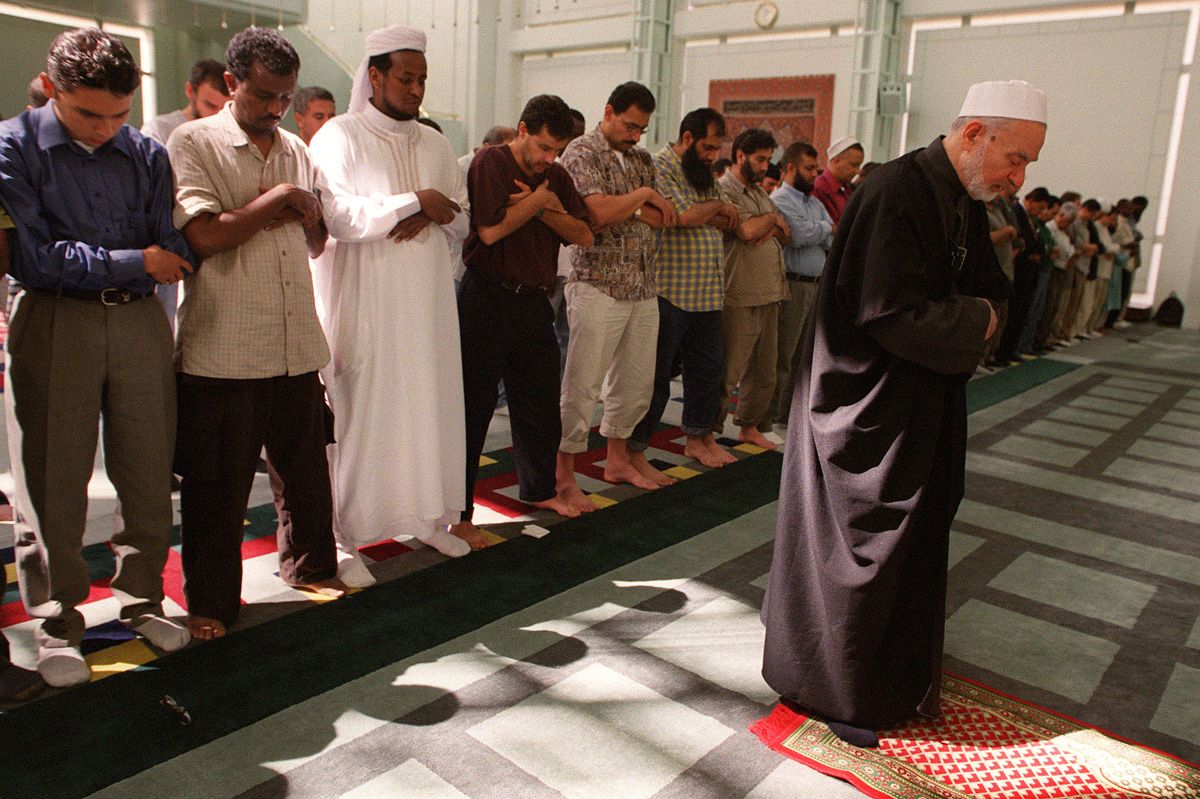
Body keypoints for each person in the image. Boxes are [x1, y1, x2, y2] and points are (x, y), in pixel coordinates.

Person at [762, 79, 1041, 746]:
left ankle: (897, 678)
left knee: (916, 543)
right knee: (862, 548)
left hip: (923, 401)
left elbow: (994, 289)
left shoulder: (964, 198)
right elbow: (890, 312)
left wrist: (980, 313)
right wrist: (976, 317)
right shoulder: (895, 191)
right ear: (976, 134)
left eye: (1028, 163)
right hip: (865, 407)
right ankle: (840, 688)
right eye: (1017, 158)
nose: (1019, 176)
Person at [0, 28, 197, 687]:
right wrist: (135, 260)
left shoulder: (144, 151)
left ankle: (143, 597)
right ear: (51, 88)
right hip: (55, 321)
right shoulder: (14, 146)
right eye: (89, 113)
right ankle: (57, 621)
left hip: (141, 321)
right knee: (52, 476)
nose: (106, 128)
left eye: (119, 114)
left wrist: (141, 262)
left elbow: (171, 242)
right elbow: (36, 257)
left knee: (147, 465)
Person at [167, 27, 346, 641]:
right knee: (218, 487)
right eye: (264, 96)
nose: (275, 109)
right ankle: (212, 601)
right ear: (229, 84)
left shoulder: (296, 147)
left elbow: (315, 241)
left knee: (304, 474)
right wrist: (280, 200)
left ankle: (311, 566)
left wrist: (309, 214)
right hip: (225, 350)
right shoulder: (194, 142)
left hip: (296, 343)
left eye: (285, 98)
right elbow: (205, 236)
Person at [308, 25, 473, 575]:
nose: (416, 88)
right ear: (374, 76)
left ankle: (428, 518)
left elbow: (464, 217)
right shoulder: (339, 136)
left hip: (426, 309)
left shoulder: (436, 143)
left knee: (428, 408)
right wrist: (411, 201)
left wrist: (432, 210)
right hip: (367, 305)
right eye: (406, 77)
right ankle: (344, 534)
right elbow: (338, 217)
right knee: (359, 416)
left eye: (422, 78)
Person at [449, 94, 593, 545]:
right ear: (523, 130)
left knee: (540, 403)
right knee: (472, 410)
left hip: (533, 301)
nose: (548, 159)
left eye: (556, 152)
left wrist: (540, 203)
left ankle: (538, 489)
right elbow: (490, 231)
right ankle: (460, 513)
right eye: (544, 148)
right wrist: (542, 205)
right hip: (486, 296)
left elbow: (585, 233)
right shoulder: (490, 161)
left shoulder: (553, 177)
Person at [555, 82, 677, 509]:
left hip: (643, 284)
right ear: (607, 112)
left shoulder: (642, 158)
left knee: (635, 383)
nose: (636, 137)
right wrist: (642, 197)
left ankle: (617, 460)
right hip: (596, 282)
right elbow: (596, 213)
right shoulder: (581, 152)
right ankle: (564, 474)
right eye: (629, 126)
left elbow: (665, 218)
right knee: (583, 384)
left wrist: (628, 206)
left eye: (642, 129)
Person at [627, 108, 741, 474]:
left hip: (707, 291)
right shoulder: (660, 166)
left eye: (716, 149)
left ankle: (698, 438)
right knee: (657, 376)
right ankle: (635, 449)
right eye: (707, 147)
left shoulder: (702, 174)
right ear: (688, 138)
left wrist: (712, 209)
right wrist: (715, 208)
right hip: (669, 290)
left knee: (708, 371)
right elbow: (682, 216)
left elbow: (728, 218)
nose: (712, 156)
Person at [716, 127, 790, 449]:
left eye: (768, 160)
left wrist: (771, 221)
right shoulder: (725, 190)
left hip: (770, 291)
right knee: (728, 371)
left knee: (765, 371)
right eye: (760, 160)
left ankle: (748, 425)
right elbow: (746, 231)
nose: (764, 167)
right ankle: (705, 432)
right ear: (740, 155)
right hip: (739, 292)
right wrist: (771, 220)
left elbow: (788, 233)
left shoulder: (759, 193)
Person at [768, 141, 833, 427]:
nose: (815, 175)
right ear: (790, 167)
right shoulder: (779, 200)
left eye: (817, 169)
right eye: (809, 169)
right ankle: (766, 418)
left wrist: (819, 230)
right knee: (783, 355)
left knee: (805, 357)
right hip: (793, 286)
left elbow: (834, 236)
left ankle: (788, 415)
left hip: (816, 286)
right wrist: (822, 228)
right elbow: (797, 236)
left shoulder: (815, 202)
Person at [141, 59, 228, 145]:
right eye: (210, 105)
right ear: (190, 91)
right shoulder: (159, 129)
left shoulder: (227, 134)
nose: (218, 115)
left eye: (225, 108)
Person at [812, 135, 863, 223]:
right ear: (837, 161)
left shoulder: (846, 189)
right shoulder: (819, 188)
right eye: (854, 165)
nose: (858, 171)